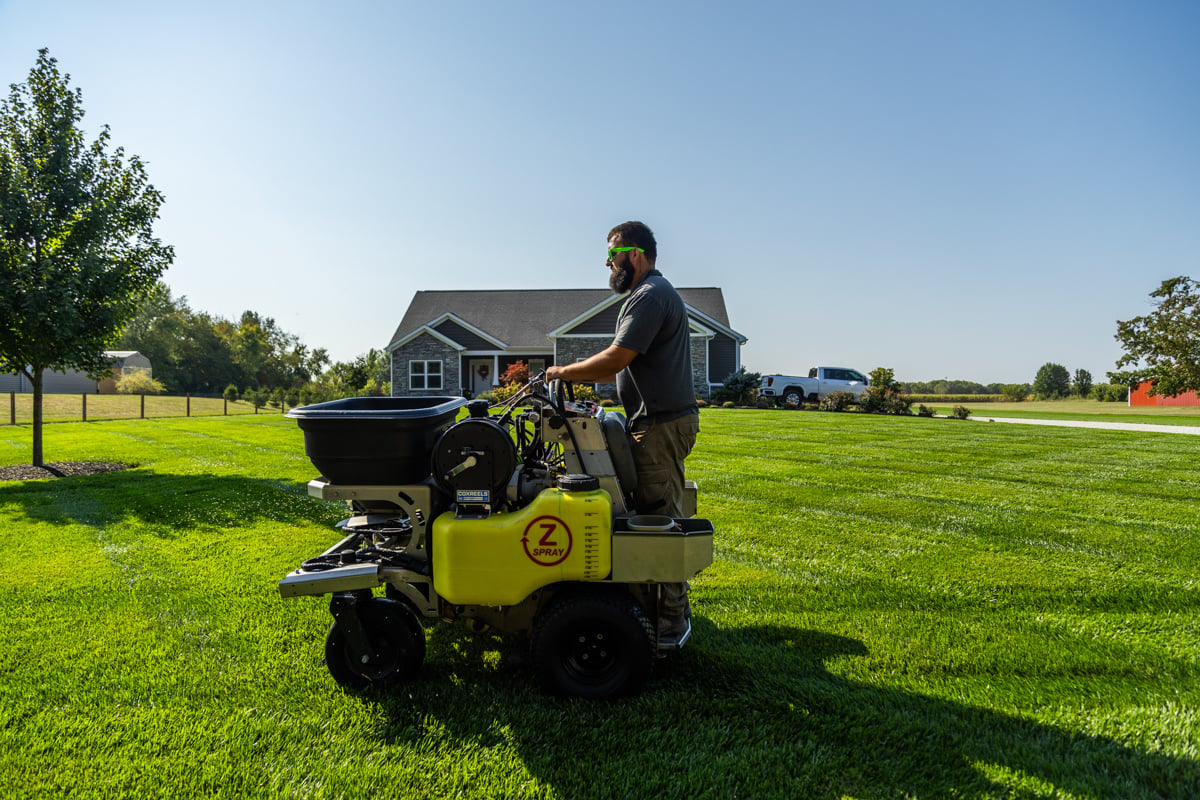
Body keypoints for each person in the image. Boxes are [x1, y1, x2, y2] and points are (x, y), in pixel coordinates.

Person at [545, 221, 699, 638]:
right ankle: (655, 607)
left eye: (612, 253)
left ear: (635, 254)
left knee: (657, 522)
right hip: (657, 421)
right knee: (653, 512)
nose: (608, 262)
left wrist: (561, 370)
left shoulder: (650, 295)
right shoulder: (649, 294)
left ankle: (668, 622)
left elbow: (616, 359)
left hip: (661, 425)